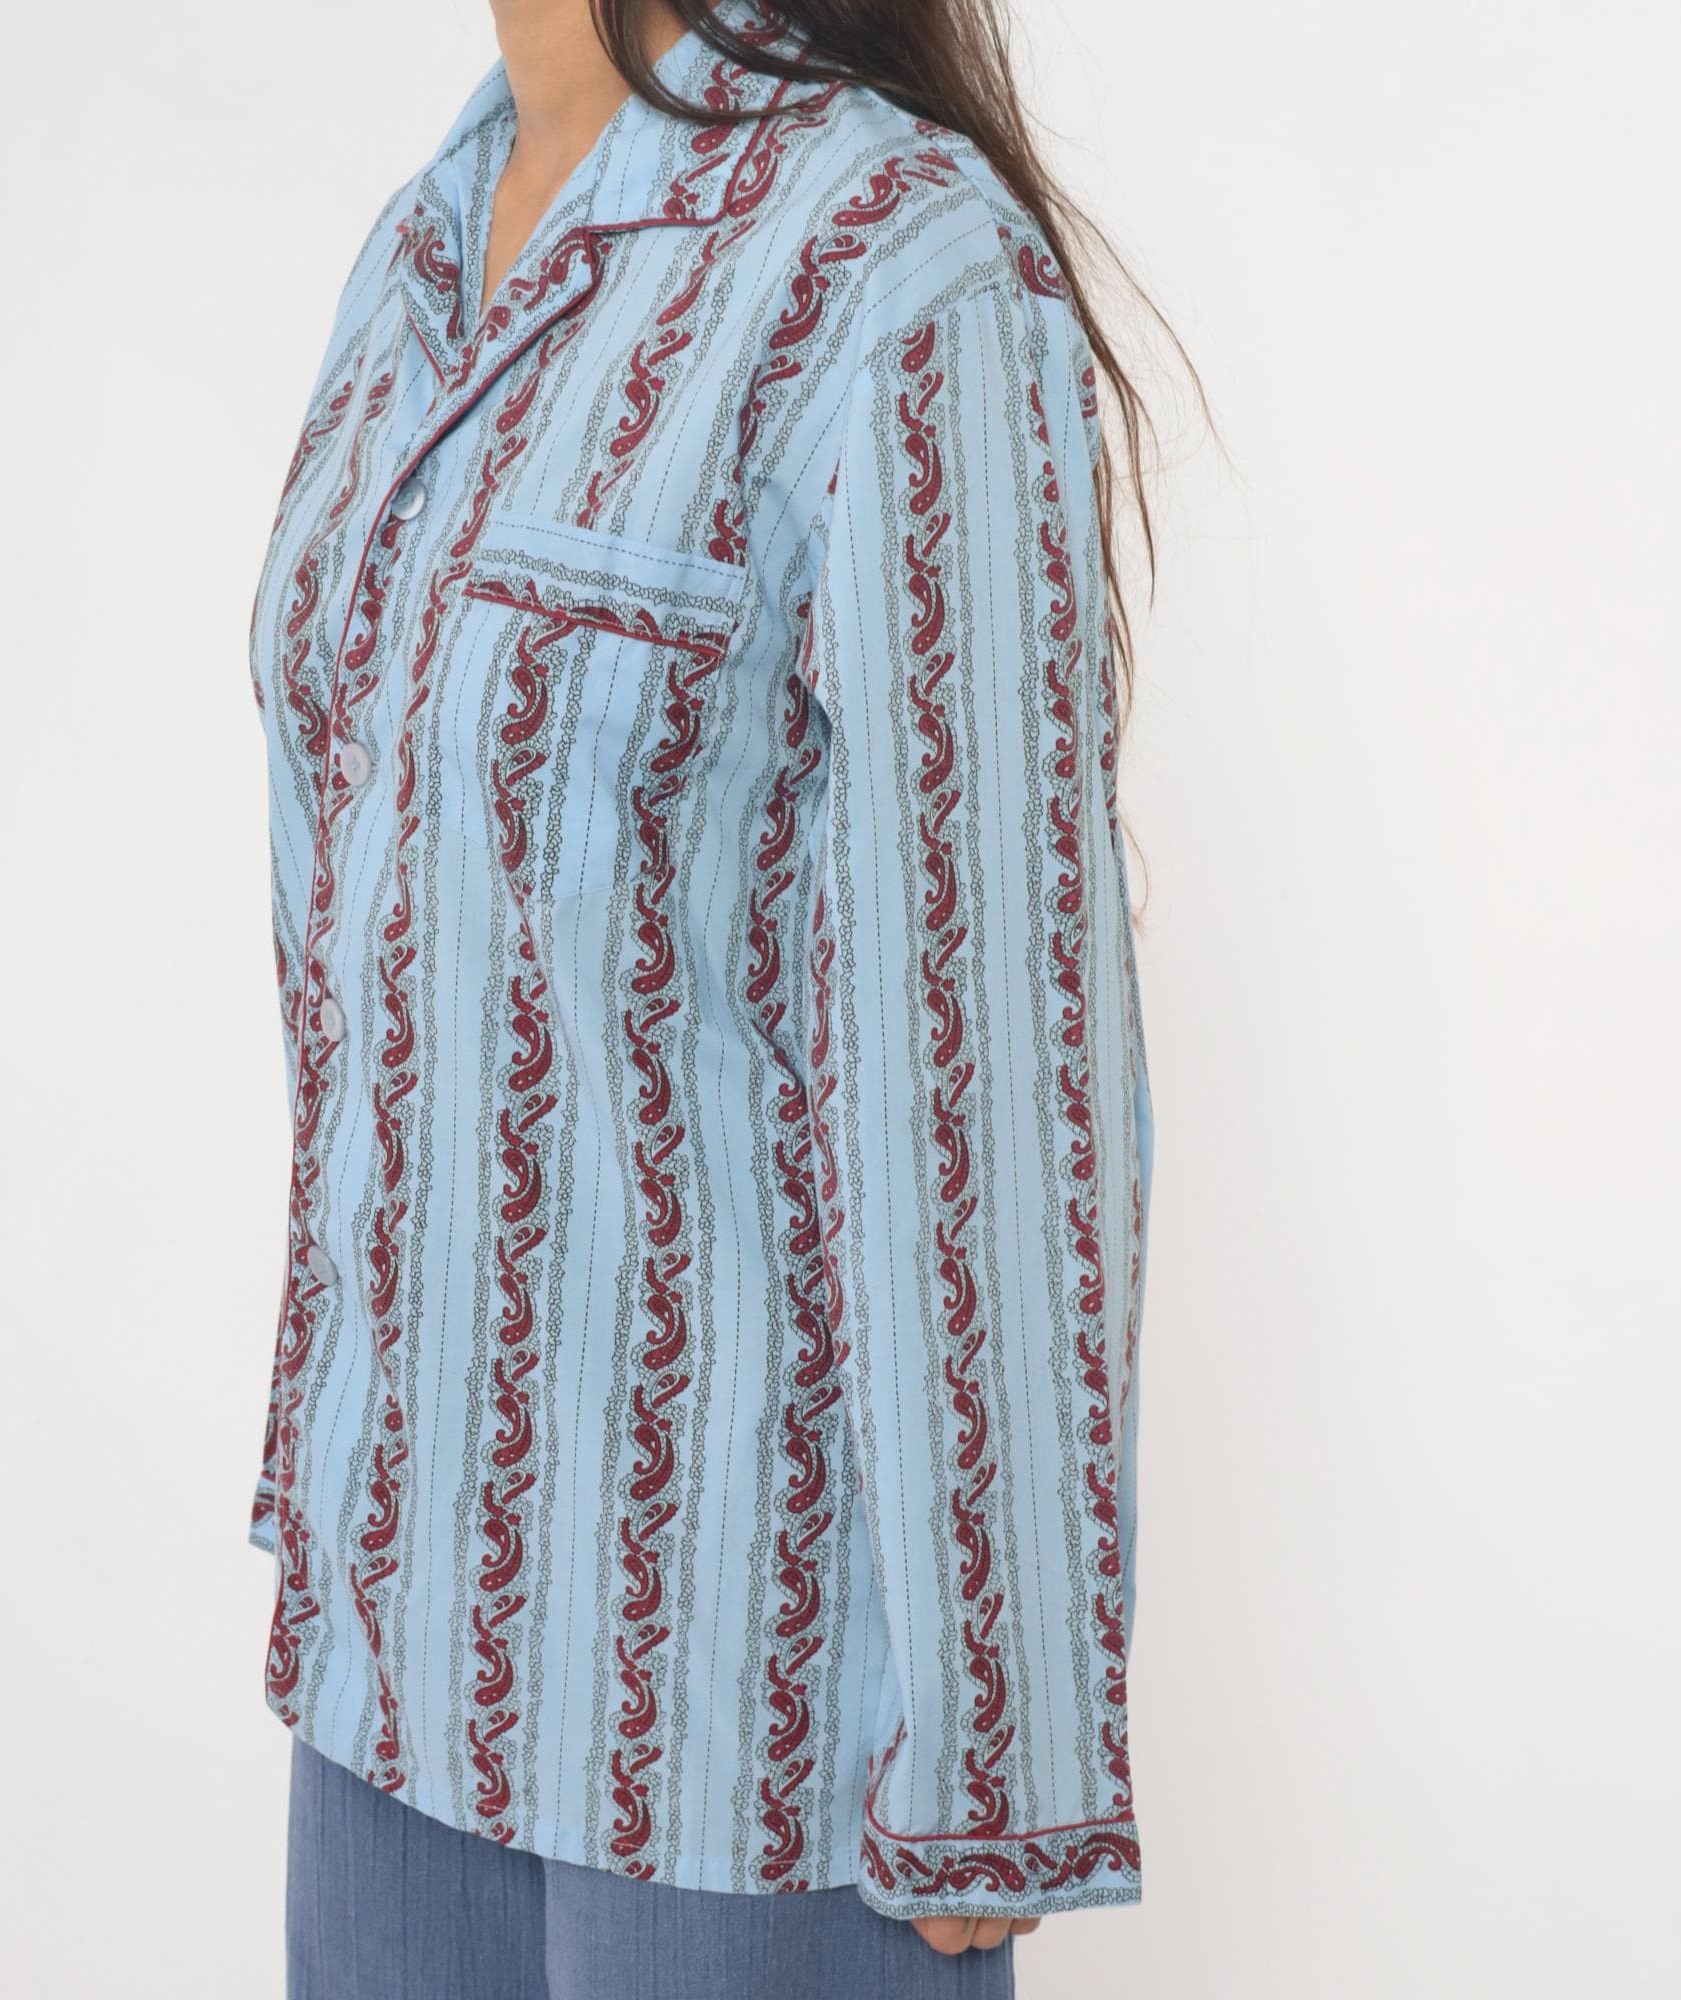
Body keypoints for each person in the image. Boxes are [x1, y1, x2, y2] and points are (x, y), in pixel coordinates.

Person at [243, 3, 1169, 1992]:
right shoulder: (424, 248)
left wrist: (994, 1733)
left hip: (738, 1726)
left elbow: (980, 1045)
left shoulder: (899, 269)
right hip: (395, 1656)